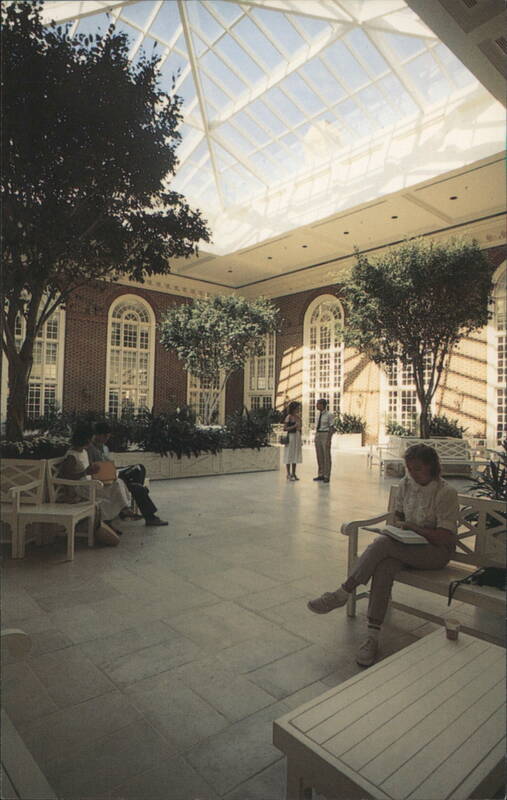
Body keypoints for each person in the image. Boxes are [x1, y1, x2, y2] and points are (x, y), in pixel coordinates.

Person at [307, 444, 459, 667]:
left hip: (435, 553)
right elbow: (398, 516)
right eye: (409, 468)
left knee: (383, 545)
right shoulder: (405, 485)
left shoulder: (445, 493)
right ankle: (372, 636)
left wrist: (415, 530)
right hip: (406, 548)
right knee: (385, 565)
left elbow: (445, 537)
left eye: (418, 469)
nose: (413, 473)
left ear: (432, 467)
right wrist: (399, 528)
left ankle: (343, 592)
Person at [88, 422, 168, 527]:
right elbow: (93, 469)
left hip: (113, 474)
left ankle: (135, 488)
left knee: (139, 468)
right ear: (98, 435)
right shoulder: (91, 449)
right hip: (106, 479)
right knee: (138, 487)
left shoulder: (104, 447)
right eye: (105, 436)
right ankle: (150, 517)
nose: (106, 439)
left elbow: (109, 463)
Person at [57, 427, 123, 546]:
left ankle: (112, 519)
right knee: (105, 500)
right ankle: (104, 525)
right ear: (85, 440)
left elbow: (88, 469)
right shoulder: (72, 456)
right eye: (90, 439)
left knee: (116, 484)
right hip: (80, 487)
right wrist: (86, 473)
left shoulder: (84, 451)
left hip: (89, 483)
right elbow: (65, 476)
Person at [313, 398, 335, 483]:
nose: (316, 405)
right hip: (318, 434)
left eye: (318, 404)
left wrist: (329, 439)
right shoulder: (318, 414)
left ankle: (327, 475)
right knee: (319, 455)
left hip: (325, 434)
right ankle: (320, 474)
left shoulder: (329, 415)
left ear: (322, 405)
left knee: (326, 456)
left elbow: (332, 427)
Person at [283, 401, 303, 481]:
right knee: (289, 454)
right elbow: (285, 428)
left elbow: (300, 428)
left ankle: (294, 473)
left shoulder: (298, 417)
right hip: (290, 436)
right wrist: (294, 426)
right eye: (297, 408)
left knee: (295, 454)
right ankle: (288, 474)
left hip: (297, 436)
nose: (299, 409)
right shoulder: (288, 417)